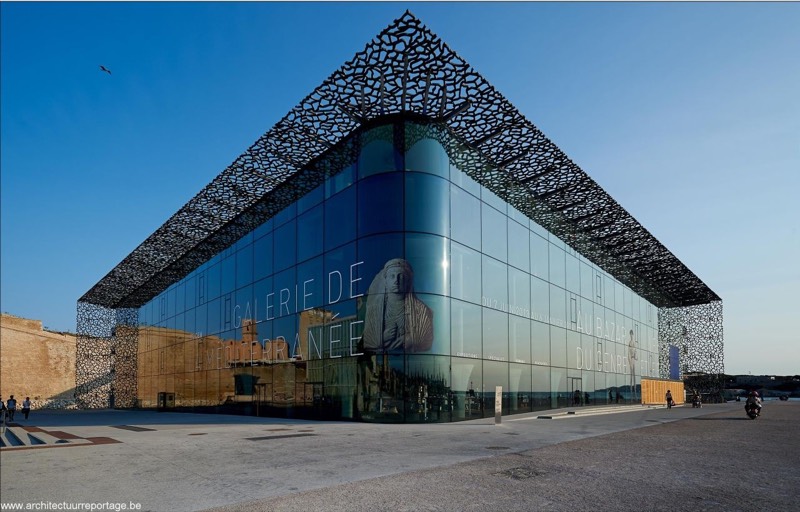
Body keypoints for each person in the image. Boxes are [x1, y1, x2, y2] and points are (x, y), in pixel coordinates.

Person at [363, 259, 434, 352]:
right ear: (386, 281)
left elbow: (427, 341)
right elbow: (367, 341)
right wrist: (382, 337)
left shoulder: (422, 310)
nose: (396, 280)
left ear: (408, 281)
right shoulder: (374, 310)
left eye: (401, 276)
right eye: (392, 276)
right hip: (382, 361)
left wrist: (410, 339)